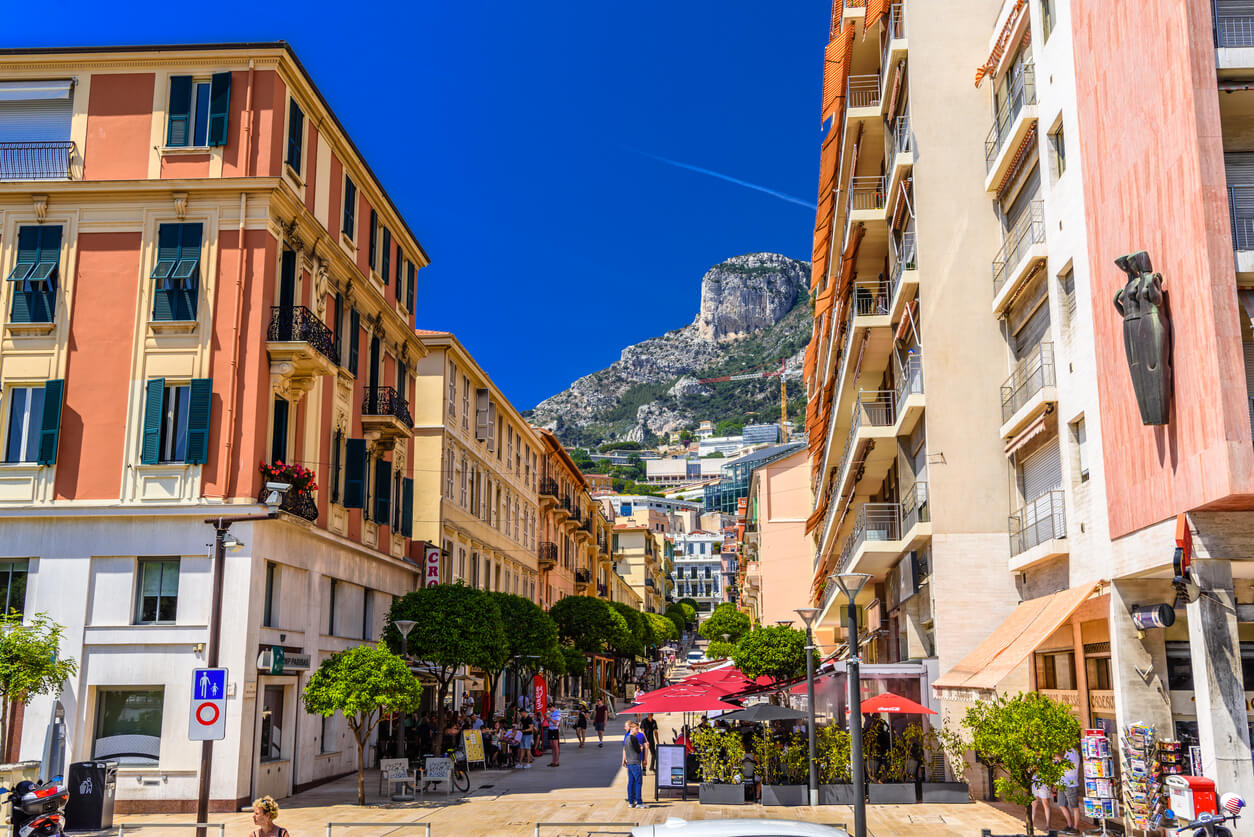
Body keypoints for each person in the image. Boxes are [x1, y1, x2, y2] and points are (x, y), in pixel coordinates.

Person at [623, 720, 649, 809]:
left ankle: (631, 802)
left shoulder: (626, 738)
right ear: (631, 728)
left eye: (638, 729)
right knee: (638, 782)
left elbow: (626, 750)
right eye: (636, 729)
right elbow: (638, 750)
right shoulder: (633, 738)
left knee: (631, 782)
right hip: (635, 763)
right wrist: (641, 748)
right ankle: (639, 802)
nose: (637, 731)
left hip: (629, 763)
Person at [1056, 747, 1081, 834]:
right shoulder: (1067, 753)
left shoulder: (1073, 752)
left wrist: (1059, 758)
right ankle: (1069, 825)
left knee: (1074, 806)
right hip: (1062, 783)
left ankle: (1076, 828)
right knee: (1061, 804)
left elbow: (1068, 766)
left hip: (1070, 784)